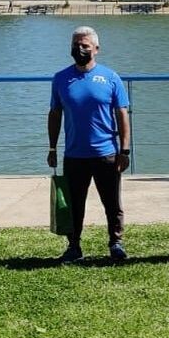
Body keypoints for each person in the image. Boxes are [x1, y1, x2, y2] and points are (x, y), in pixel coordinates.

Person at [48, 26, 132, 263]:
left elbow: (122, 115)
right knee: (74, 204)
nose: (80, 48)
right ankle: (74, 246)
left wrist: (124, 150)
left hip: (106, 153)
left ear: (96, 49)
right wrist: (52, 147)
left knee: (112, 203)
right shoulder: (61, 79)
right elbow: (55, 114)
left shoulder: (110, 77)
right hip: (74, 155)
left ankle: (116, 243)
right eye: (76, 44)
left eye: (85, 45)